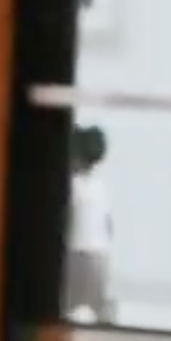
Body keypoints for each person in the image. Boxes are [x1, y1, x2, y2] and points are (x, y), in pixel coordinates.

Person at [65, 124, 113, 324]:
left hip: (76, 255)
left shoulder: (72, 185)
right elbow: (108, 227)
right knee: (92, 313)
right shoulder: (99, 186)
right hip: (100, 258)